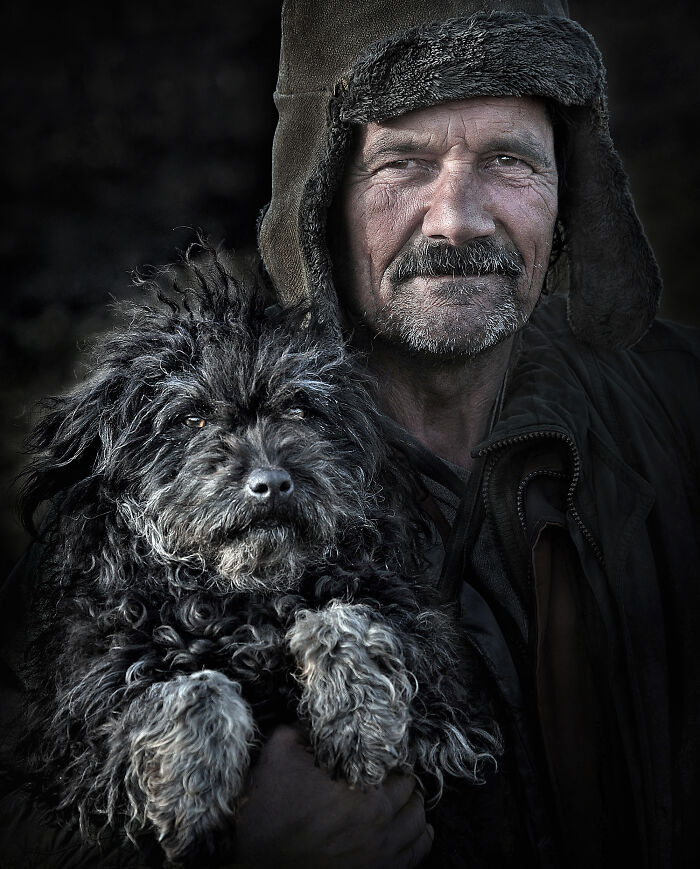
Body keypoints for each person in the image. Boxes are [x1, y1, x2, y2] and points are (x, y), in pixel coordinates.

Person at [1, 1, 698, 868]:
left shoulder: (679, 408)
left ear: (570, 193)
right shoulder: (124, 510)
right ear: (318, 192)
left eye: (510, 160)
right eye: (402, 162)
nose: (458, 220)